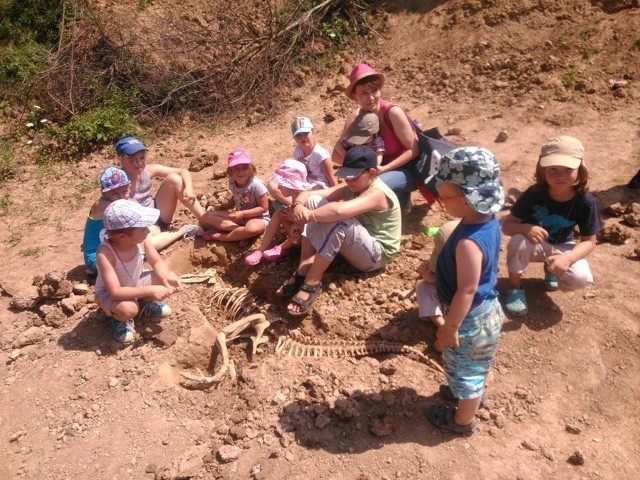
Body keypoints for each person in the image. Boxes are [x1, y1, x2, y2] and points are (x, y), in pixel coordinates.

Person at [423, 146, 505, 436]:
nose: (441, 202)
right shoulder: (486, 222)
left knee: (467, 371)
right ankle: (466, 393)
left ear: (470, 198)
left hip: (469, 318)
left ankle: (462, 420)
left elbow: (467, 290)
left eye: (445, 197)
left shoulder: (469, 242)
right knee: (470, 364)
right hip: (484, 311)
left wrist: (450, 327)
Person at [280, 146, 401, 316]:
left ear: (372, 173)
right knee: (315, 201)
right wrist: (299, 205)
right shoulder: (354, 187)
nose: (348, 181)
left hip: (377, 254)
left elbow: (339, 212)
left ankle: (312, 282)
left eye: (353, 177)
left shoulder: (377, 193)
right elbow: (309, 194)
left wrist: (309, 216)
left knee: (338, 220)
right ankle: (303, 267)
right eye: (346, 177)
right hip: (359, 243)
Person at [502, 136, 599, 317]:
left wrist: (568, 258)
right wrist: (525, 229)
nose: (560, 176)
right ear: (542, 170)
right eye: (553, 169)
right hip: (535, 244)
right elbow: (507, 225)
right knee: (517, 242)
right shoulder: (534, 194)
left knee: (581, 278)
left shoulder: (586, 201)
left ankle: (551, 269)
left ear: (580, 169)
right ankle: (514, 288)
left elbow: (590, 242)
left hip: (563, 247)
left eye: (568, 169)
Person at [332, 63, 420, 212]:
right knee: (360, 181)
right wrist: (360, 165)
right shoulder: (355, 118)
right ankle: (398, 202)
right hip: (375, 171)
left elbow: (414, 150)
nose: (371, 97)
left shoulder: (392, 112)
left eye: (374, 90)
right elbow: (336, 154)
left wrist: (383, 168)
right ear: (355, 96)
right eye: (364, 93)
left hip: (407, 170)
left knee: (369, 186)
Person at [82, 167, 202, 275]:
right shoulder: (104, 205)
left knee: (148, 231)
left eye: (124, 191)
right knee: (144, 241)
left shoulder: (121, 201)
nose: (120, 196)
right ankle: (182, 231)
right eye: (114, 193)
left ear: (129, 187)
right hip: (98, 257)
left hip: (115, 243)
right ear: (104, 193)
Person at [94, 199, 182, 343]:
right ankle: (120, 319)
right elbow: (115, 292)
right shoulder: (105, 253)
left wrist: (165, 278)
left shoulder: (141, 240)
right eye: (142, 229)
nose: (148, 231)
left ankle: (144, 303)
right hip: (112, 294)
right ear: (122, 236)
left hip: (135, 282)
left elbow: (157, 261)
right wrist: (150, 290)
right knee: (129, 309)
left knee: (163, 277)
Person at [116, 136, 206, 231]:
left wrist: (189, 189)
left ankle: (205, 220)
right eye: (133, 159)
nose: (139, 163)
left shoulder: (149, 170)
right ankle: (178, 232)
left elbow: (183, 171)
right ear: (121, 159)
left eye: (142, 158)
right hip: (139, 225)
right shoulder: (116, 179)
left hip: (158, 214)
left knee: (175, 179)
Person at [244, 159, 312, 266]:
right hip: (297, 231)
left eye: (282, 184)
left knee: (295, 221)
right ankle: (262, 248)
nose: (279, 188)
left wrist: (294, 219)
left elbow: (306, 223)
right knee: (279, 213)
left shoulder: (306, 199)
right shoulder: (296, 195)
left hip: (308, 238)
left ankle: (284, 246)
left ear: (291, 185)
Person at [200, 148, 270, 243]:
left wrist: (243, 213)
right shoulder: (233, 182)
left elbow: (263, 208)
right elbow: (236, 197)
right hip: (240, 218)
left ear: (250, 168)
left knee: (252, 229)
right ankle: (241, 233)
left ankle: (222, 237)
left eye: (244, 168)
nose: (240, 172)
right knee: (207, 216)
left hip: (258, 218)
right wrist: (226, 206)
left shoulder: (256, 185)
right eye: (236, 168)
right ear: (230, 171)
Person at [267, 116, 337, 208]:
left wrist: (336, 200)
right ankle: (294, 203)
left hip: (319, 188)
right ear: (294, 138)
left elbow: (332, 179)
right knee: (272, 186)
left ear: (313, 133)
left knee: (305, 195)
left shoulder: (320, 154)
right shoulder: (298, 151)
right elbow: (295, 175)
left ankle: (296, 204)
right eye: (298, 135)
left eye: (306, 133)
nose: (303, 137)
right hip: (303, 184)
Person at [415, 220, 460, 352]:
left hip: (459, 308)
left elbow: (431, 279)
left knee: (423, 287)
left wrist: (424, 273)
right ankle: (444, 327)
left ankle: (446, 330)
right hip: (456, 303)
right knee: (423, 287)